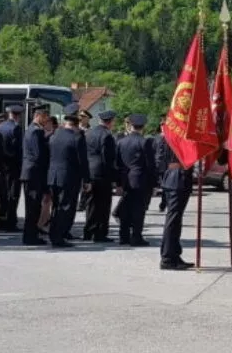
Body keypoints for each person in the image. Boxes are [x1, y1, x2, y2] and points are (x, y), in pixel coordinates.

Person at [47, 103, 90, 247]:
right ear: (77, 122)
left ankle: (54, 233)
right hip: (69, 177)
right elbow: (82, 161)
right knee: (65, 207)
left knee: (56, 207)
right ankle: (58, 237)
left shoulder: (54, 135)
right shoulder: (77, 137)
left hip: (53, 176)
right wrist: (87, 180)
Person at [155, 118, 194, 270]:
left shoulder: (169, 135)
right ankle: (167, 258)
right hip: (177, 179)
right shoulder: (174, 136)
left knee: (175, 221)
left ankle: (173, 254)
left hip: (173, 178)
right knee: (173, 221)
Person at [114, 114, 154, 246]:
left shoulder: (121, 142)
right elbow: (150, 165)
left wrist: (118, 183)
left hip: (125, 179)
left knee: (125, 208)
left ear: (130, 125)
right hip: (140, 179)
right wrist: (153, 184)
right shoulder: (145, 142)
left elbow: (117, 164)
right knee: (138, 209)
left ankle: (123, 236)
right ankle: (136, 236)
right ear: (143, 127)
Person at [84, 110, 118, 243]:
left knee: (91, 203)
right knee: (103, 204)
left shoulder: (89, 133)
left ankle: (88, 231)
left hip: (90, 171)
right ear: (111, 121)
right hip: (102, 173)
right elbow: (107, 158)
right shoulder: (107, 136)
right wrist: (113, 177)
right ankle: (100, 233)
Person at [21, 104, 51, 246]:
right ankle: (30, 237)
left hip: (32, 173)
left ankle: (31, 235)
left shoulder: (32, 130)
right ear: (38, 116)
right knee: (33, 207)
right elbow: (39, 154)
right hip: (34, 173)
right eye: (45, 117)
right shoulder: (36, 131)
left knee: (34, 207)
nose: (46, 120)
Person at [0, 104, 24, 232]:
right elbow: (19, 149)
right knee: (13, 195)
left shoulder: (0, 126)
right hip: (14, 166)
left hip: (2, 166)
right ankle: (10, 222)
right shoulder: (16, 128)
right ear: (18, 115)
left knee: (3, 194)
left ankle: (1, 219)